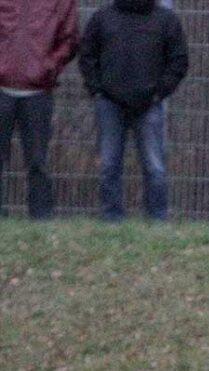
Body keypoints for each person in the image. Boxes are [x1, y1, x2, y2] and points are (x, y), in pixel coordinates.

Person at [79, 0, 189, 221]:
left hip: (149, 104)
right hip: (109, 103)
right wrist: (97, 91)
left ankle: (157, 219)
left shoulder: (166, 20)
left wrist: (159, 93)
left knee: (154, 167)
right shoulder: (102, 17)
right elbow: (87, 55)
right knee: (109, 165)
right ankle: (111, 218)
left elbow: (178, 60)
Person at [0, 0, 79, 220]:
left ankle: (41, 221)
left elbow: (69, 38)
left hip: (38, 91)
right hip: (1, 88)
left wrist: (49, 66)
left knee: (37, 161)